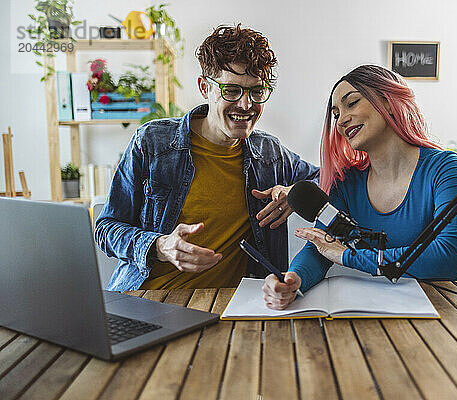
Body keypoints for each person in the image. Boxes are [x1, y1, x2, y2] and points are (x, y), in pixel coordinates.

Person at [95, 25, 319, 292]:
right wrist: (159, 246)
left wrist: (295, 192)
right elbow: (106, 228)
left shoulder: (269, 154)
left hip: (231, 306)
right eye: (232, 91)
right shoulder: (153, 142)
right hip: (146, 297)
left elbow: (327, 177)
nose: (246, 105)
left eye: (257, 92)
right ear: (205, 87)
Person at [262, 64, 457, 309]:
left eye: (351, 103)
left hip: (446, 309)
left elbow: (450, 257)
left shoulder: (445, 167)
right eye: (336, 114)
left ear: (388, 101)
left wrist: (348, 256)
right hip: (380, 311)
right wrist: (294, 279)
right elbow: (321, 246)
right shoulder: (347, 182)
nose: (341, 120)